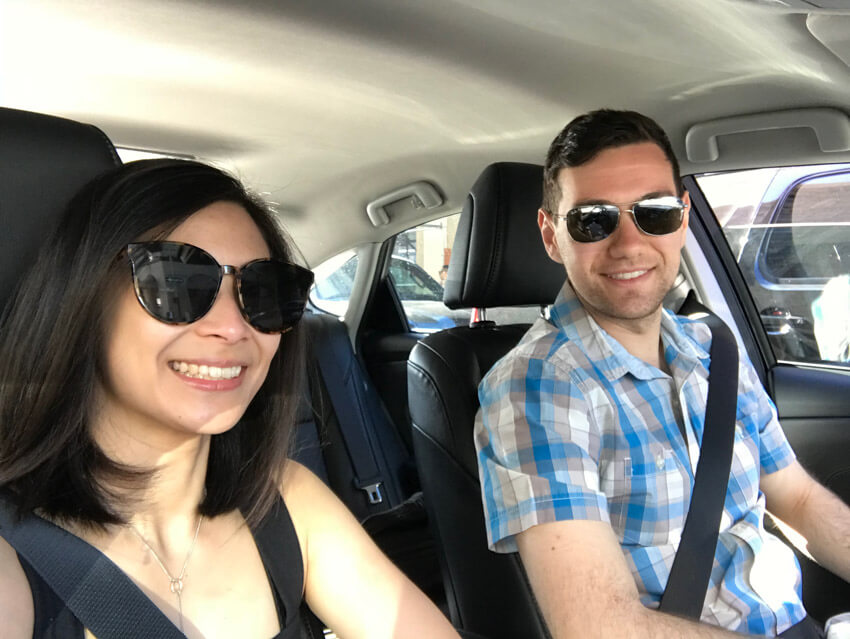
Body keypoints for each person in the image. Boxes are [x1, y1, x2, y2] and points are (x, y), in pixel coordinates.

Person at [0, 159, 461, 638]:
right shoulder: (12, 561)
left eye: (263, 292)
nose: (234, 326)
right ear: (83, 298)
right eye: (176, 282)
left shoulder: (286, 500)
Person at [474, 110, 850, 638]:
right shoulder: (537, 388)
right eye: (592, 220)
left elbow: (799, 498)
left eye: (654, 212)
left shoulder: (712, 348)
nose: (628, 244)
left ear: (684, 217)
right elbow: (600, 629)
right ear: (552, 236)